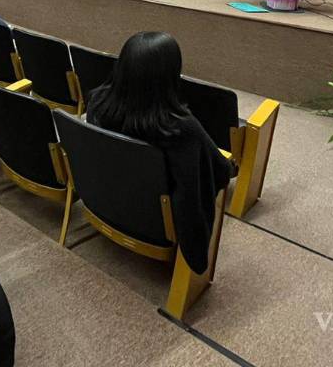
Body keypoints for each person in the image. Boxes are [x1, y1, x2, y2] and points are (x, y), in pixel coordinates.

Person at [84, 31, 230, 274]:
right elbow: (221, 172)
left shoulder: (97, 102)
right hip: (157, 219)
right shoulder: (179, 127)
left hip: (107, 197)